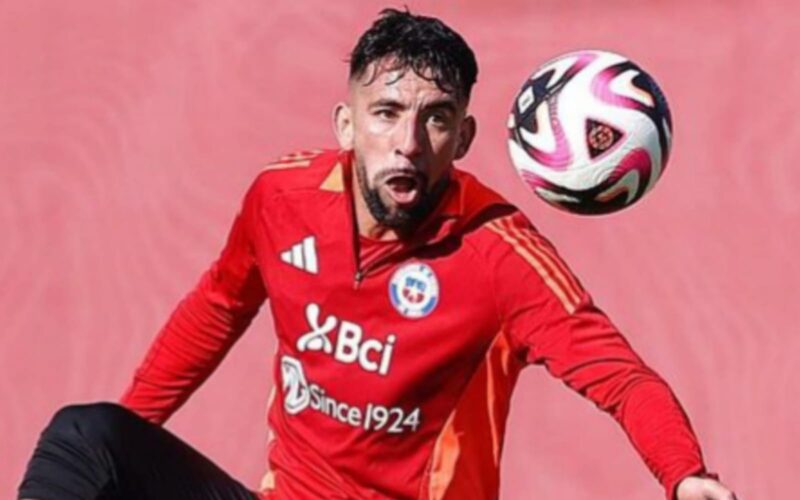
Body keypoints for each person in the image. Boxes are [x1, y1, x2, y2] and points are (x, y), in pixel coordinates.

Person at [19, 8, 738, 500]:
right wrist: (123, 464)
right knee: (89, 436)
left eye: (436, 120)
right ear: (346, 124)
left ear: (464, 138)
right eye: (387, 114)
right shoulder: (282, 198)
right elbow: (217, 308)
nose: (409, 143)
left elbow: (621, 378)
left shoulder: (502, 254)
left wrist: (684, 474)